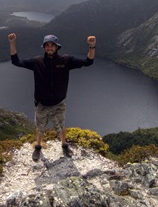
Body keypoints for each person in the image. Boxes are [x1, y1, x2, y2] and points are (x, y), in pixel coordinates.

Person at [8, 33, 96, 161]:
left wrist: (92, 46)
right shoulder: (37, 62)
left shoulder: (66, 61)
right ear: (44, 47)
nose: (49, 48)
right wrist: (12, 43)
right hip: (42, 103)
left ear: (57, 47)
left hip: (59, 102)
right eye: (47, 45)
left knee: (61, 126)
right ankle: (38, 147)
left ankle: (64, 145)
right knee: (40, 127)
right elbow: (16, 62)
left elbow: (88, 62)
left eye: (52, 45)